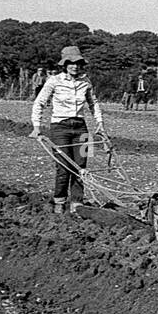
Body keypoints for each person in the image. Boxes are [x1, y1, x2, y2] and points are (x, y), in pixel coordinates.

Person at [31, 46, 104, 214]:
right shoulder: (54, 81)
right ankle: (59, 202)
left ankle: (77, 203)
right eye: (71, 63)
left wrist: (99, 123)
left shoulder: (86, 82)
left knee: (82, 167)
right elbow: (39, 103)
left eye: (78, 63)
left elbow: (94, 103)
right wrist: (37, 127)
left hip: (81, 128)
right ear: (64, 64)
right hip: (59, 128)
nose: (75, 66)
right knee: (63, 167)